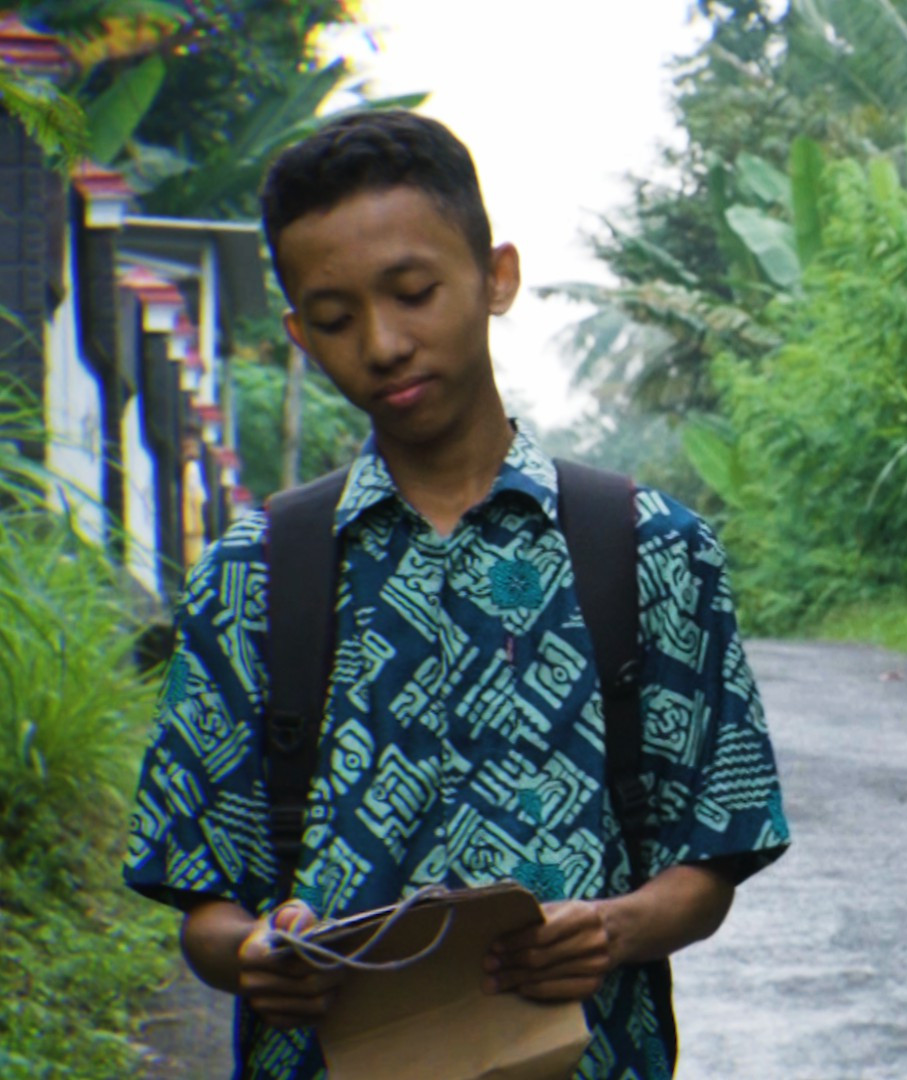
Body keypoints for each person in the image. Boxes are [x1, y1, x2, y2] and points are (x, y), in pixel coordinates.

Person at [123, 110, 789, 1079]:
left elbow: (713, 857)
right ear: (299, 334)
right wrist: (255, 953)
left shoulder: (651, 550)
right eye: (337, 318)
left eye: (414, 292)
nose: (384, 343)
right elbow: (203, 898)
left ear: (496, 277)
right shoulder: (251, 575)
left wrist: (614, 928)